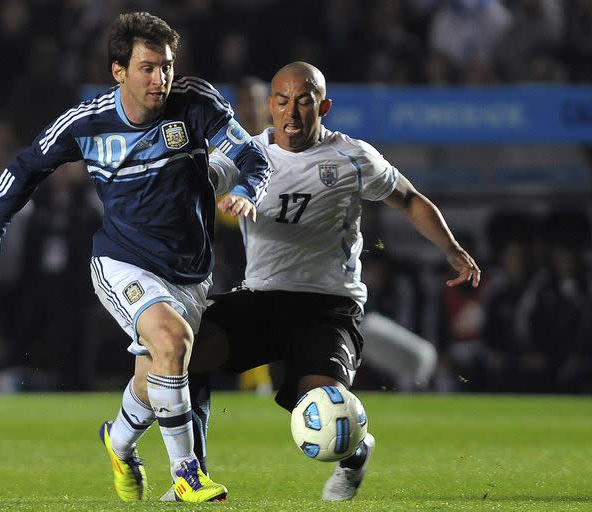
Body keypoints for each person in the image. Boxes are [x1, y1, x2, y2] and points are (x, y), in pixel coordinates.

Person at [0, 12, 272, 503]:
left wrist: (247, 189)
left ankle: (117, 442)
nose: (159, 78)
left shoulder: (196, 104)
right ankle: (187, 472)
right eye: (147, 67)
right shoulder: (87, 121)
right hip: (122, 262)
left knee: (156, 374)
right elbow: (25, 168)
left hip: (190, 271)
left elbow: (254, 157)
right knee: (171, 338)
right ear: (118, 71)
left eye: (165, 66)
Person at [176, 61, 481, 502]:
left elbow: (409, 199)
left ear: (324, 106)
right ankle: (193, 474)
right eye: (282, 102)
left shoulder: (352, 157)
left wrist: (451, 249)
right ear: (270, 106)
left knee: (326, 412)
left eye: (304, 102)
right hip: (261, 298)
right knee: (186, 349)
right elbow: (197, 181)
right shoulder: (245, 154)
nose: (292, 113)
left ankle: (355, 453)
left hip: (328, 308)